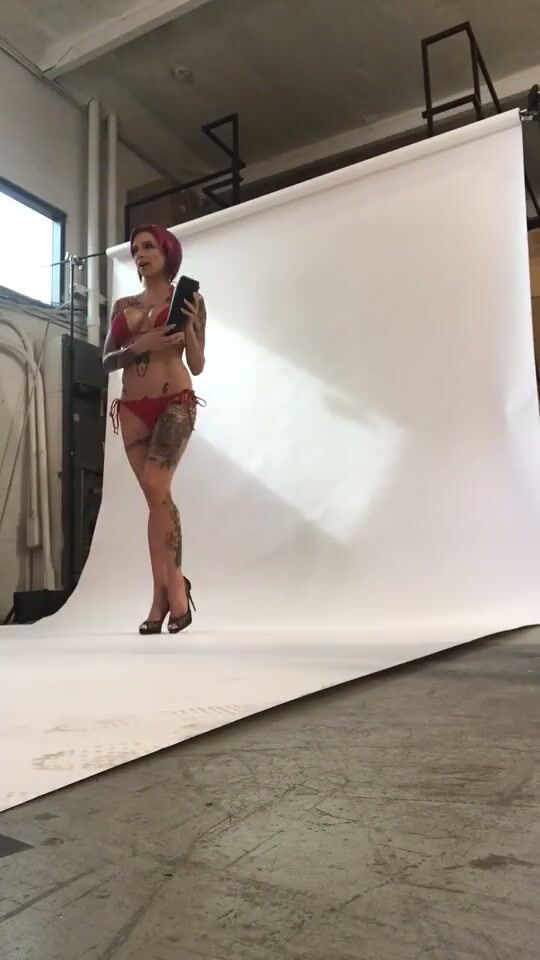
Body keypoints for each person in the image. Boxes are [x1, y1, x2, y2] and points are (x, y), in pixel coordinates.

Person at [102, 224, 206, 635]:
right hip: (132, 408)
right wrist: (137, 348)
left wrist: (190, 328)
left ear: (167, 251)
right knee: (154, 497)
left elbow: (197, 363)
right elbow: (106, 361)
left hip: (174, 401)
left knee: (155, 484)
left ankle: (175, 587)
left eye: (148, 246)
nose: (140, 254)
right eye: (134, 249)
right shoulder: (124, 305)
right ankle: (160, 596)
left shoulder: (188, 299)